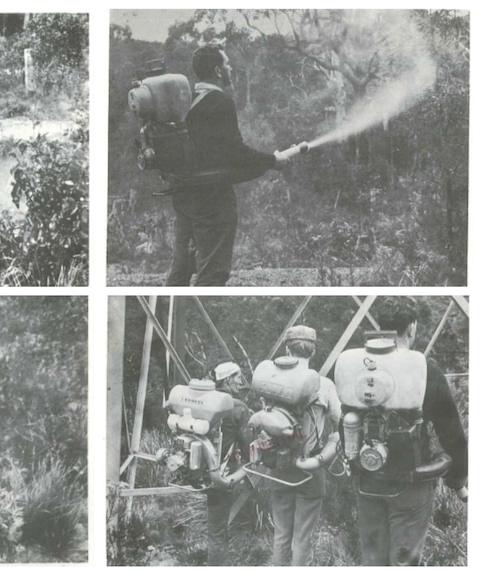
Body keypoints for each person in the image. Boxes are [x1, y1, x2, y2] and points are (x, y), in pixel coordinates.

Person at [349, 298, 468, 565]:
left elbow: (346, 419)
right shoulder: (427, 370)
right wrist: (458, 480)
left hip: (366, 479)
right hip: (411, 481)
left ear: (382, 327)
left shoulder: (355, 367)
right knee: (404, 562)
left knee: (372, 560)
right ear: (412, 328)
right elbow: (451, 433)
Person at [165, 43, 290, 287]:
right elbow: (236, 154)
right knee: (213, 272)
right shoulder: (219, 101)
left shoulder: (185, 100)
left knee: (180, 270)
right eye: (227, 64)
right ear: (218, 71)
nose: (230, 68)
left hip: (184, 197)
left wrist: (267, 163)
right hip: (212, 202)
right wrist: (273, 160)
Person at [269, 325, 341, 566]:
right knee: (302, 538)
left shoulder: (271, 382)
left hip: (279, 466)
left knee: (281, 536)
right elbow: (339, 422)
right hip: (310, 467)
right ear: (313, 352)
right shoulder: (325, 385)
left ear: (287, 350)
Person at [205, 361, 251, 565]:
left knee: (215, 527)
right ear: (228, 379)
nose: (241, 381)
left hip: (200, 470)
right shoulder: (238, 407)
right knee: (218, 531)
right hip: (222, 474)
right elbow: (249, 446)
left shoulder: (205, 398)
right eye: (238, 376)